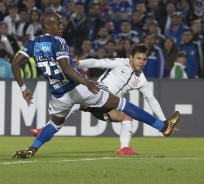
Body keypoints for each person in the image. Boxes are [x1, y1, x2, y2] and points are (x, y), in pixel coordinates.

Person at [11, 12, 180, 159]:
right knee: (123, 104)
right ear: (47, 26)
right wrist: (87, 82)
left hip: (58, 96)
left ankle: (32, 149)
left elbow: (15, 64)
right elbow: (66, 67)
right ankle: (163, 126)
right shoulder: (59, 42)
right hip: (77, 89)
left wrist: (23, 88)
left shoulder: (32, 44)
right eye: (58, 23)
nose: (62, 26)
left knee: (54, 125)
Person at [32, 43, 169, 155]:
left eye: (144, 59)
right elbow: (98, 63)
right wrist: (79, 63)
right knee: (76, 100)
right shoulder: (120, 63)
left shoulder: (141, 80)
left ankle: (124, 148)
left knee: (127, 117)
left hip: (107, 107)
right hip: (98, 94)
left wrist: (164, 119)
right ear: (131, 57)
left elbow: (151, 99)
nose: (141, 62)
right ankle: (45, 128)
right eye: (138, 58)